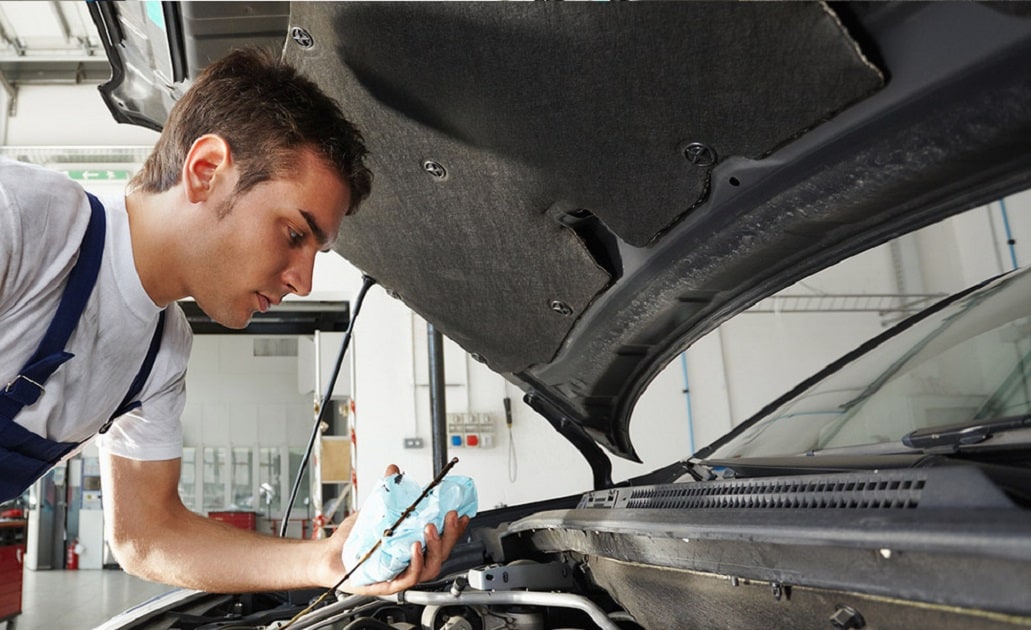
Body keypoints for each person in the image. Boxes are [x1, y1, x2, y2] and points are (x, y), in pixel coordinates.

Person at [0, 48, 467, 594]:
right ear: (206, 172)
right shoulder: (24, 220)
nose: (303, 281)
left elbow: (147, 535)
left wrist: (325, 563)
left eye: (317, 252)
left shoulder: (161, 356)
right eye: (294, 234)